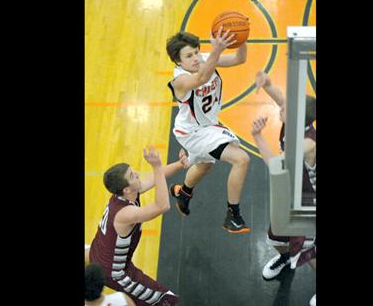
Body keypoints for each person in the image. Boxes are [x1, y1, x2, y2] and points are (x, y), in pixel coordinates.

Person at [165, 28, 250, 233]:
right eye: (189, 55)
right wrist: (216, 52)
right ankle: (233, 215)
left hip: (207, 126)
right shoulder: (180, 81)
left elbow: (240, 59)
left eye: (196, 52)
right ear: (178, 62)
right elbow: (201, 79)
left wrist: (240, 38)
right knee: (242, 159)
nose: (195, 58)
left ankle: (183, 193)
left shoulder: (204, 59)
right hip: (194, 133)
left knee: (204, 167)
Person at [88, 146, 189, 306]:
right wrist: (156, 166)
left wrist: (181, 164)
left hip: (98, 253)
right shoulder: (125, 213)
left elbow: (155, 177)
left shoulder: (126, 193)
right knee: (166, 300)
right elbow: (162, 206)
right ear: (126, 189)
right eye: (132, 175)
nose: (137, 174)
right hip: (116, 273)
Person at [252, 71, 316, 306]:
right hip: (290, 195)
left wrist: (257, 136)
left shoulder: (307, 143)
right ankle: (285, 258)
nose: (280, 108)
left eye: (286, 109)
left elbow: (274, 165)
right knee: (277, 238)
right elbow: (280, 98)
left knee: (309, 251)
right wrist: (267, 82)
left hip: (308, 202)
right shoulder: (294, 119)